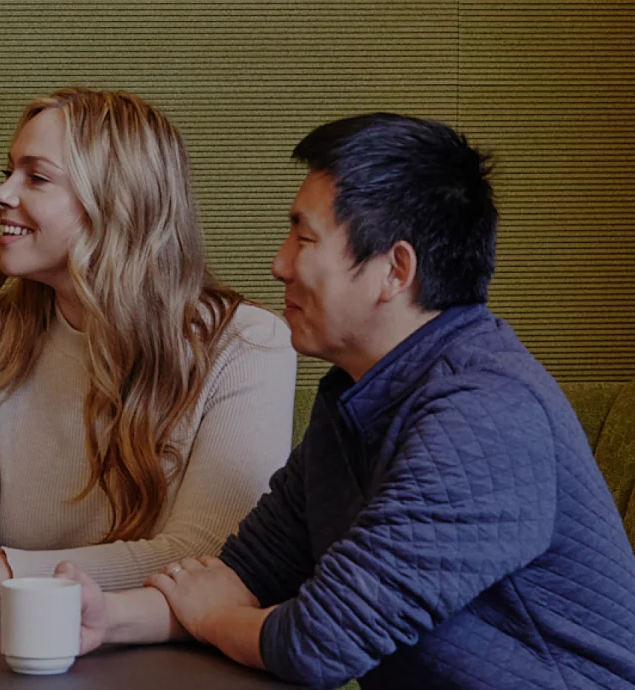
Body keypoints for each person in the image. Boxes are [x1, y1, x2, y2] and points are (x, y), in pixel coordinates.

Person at [63, 114, 635, 688]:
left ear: (395, 270)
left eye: (304, 238)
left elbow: (320, 641)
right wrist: (107, 618)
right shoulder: (357, 395)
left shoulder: (486, 411)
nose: (279, 264)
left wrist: (217, 619)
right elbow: (252, 572)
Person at [0, 87, 295, 627]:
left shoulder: (248, 344)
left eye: (36, 177)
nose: (0, 192)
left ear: (119, 201)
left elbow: (207, 559)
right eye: (8, 171)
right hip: (20, 652)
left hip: (174, 656)